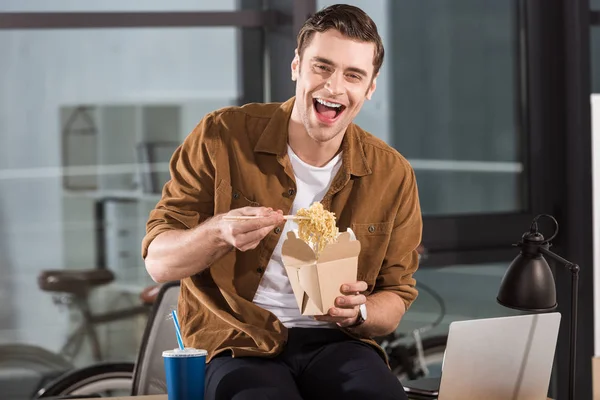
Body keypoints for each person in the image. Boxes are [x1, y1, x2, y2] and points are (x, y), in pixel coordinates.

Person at [142, 4, 422, 400]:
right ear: (296, 66)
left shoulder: (392, 174)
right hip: (236, 339)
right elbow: (158, 262)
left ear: (370, 87)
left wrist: (358, 312)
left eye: (353, 75)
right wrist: (218, 232)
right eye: (321, 67)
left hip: (337, 342)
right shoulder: (221, 136)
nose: (334, 87)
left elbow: (395, 296)